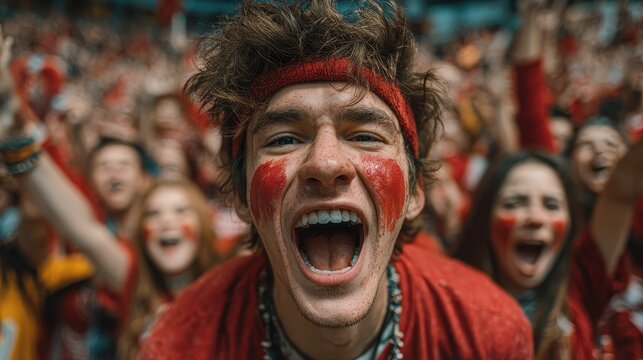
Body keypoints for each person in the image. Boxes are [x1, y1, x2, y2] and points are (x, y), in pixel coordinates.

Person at [140, 1, 533, 359]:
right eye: (284, 139)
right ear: (242, 197)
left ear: (415, 191)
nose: (326, 163)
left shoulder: (487, 334)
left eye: (364, 136)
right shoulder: (181, 346)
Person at [0, 28, 218, 359]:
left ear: (205, 224)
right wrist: (14, 122)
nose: (166, 223)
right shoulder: (134, 284)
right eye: (154, 214)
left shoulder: (234, 288)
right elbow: (82, 228)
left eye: (180, 211)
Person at [455, 141, 641, 358]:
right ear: (484, 219)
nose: (535, 218)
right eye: (514, 203)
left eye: (551, 205)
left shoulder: (579, 288)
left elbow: (621, 190)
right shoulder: (448, 306)